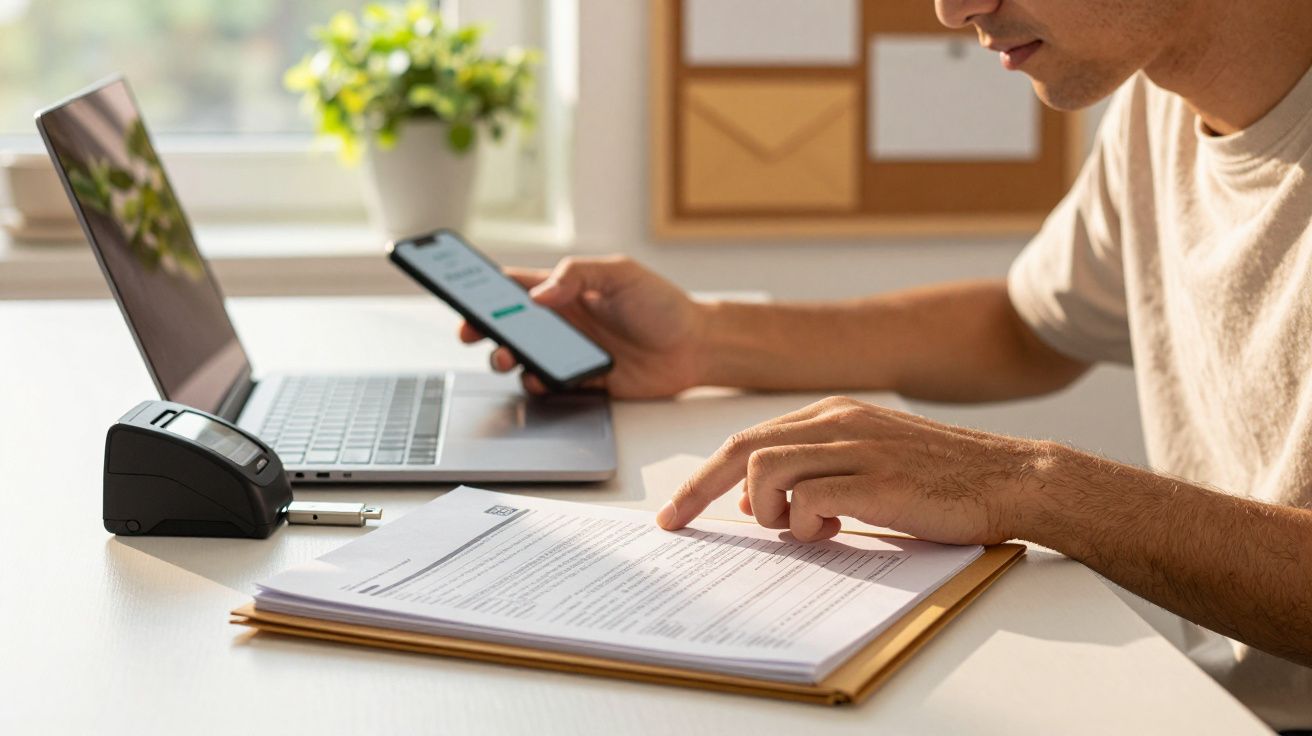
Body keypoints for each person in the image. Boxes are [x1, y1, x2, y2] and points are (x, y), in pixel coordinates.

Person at [458, 0, 1312, 728]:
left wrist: (1029, 483)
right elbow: (1025, 327)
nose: (952, 8)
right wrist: (704, 340)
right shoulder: (1156, 105)